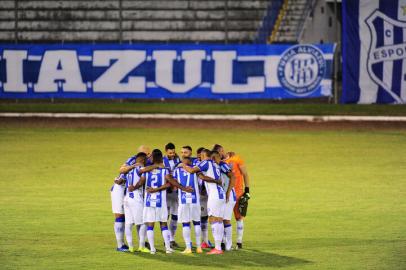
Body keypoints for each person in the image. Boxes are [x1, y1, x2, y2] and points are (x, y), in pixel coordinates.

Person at [134, 149, 193, 254]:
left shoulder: (146, 171)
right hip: (161, 201)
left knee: (150, 225)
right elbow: (170, 183)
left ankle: (152, 249)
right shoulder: (165, 170)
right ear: (161, 158)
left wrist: (133, 188)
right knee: (163, 224)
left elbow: (139, 181)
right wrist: (184, 188)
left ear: (153, 158)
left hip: (149, 201)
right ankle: (168, 248)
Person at [181, 149, 225, 255]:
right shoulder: (214, 164)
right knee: (218, 220)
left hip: (215, 195)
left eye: (201, 156)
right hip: (220, 194)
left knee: (214, 220)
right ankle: (219, 246)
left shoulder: (206, 162)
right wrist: (200, 175)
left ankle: (218, 248)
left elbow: (191, 171)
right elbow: (203, 177)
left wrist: (183, 165)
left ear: (204, 155)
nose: (199, 158)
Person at [213, 144, 250, 249]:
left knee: (239, 218)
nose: (218, 155)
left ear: (221, 150)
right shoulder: (217, 163)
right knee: (225, 219)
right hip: (225, 194)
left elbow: (245, 174)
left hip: (238, 193)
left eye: (219, 152)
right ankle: (224, 243)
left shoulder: (236, 158)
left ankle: (239, 242)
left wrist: (247, 190)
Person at [123, 152, 159, 253]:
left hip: (127, 198)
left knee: (128, 224)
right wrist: (156, 165)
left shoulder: (130, 169)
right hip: (135, 198)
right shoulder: (139, 167)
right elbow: (144, 170)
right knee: (143, 223)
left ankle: (130, 247)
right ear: (143, 160)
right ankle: (141, 246)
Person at [171, 157, 204, 254]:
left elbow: (173, 184)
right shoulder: (195, 170)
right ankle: (199, 247)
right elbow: (201, 183)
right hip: (195, 200)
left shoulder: (177, 170)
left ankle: (188, 248)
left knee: (185, 223)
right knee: (197, 223)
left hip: (183, 200)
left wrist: (181, 188)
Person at [211, 150, 236, 251]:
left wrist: (228, 192)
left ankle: (228, 245)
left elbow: (233, 176)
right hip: (222, 196)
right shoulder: (214, 166)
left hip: (228, 196)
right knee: (219, 219)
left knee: (226, 219)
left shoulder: (221, 164)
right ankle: (221, 242)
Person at [163, 142, 181, 248]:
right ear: (166, 151)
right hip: (166, 193)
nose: (172, 154)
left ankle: (172, 239)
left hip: (176, 192)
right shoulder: (162, 161)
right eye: (170, 153)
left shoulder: (177, 160)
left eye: (173, 152)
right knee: (166, 216)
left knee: (175, 216)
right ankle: (166, 240)